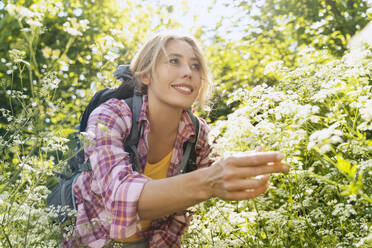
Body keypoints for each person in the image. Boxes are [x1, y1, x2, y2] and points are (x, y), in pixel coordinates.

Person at [63, 31, 289, 248]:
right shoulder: (110, 116)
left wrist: (247, 171)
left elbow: (214, 183)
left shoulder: (200, 136)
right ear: (146, 75)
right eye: (174, 61)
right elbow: (118, 199)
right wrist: (210, 181)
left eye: (195, 65)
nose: (188, 72)